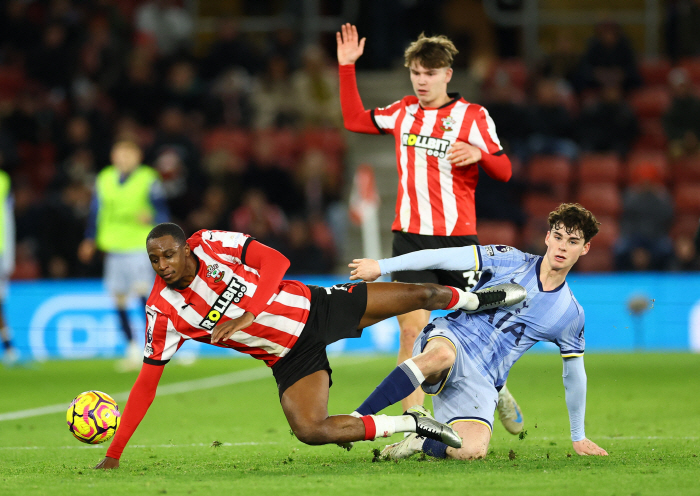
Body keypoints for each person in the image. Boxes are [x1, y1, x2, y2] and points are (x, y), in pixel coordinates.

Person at [93, 223, 524, 469]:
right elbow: (148, 384)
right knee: (309, 429)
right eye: (155, 260)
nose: (163, 266)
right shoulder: (162, 312)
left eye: (169, 255)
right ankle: (413, 426)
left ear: (185, 248)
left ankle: (476, 299)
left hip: (316, 307)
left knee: (419, 296)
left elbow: (275, 261)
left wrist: (247, 315)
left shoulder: (211, 244)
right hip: (289, 358)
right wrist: (113, 454)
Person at [336, 24, 524, 433]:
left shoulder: (472, 117)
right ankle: (414, 420)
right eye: (416, 73)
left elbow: (505, 169)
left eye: (430, 74)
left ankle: (498, 385)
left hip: (458, 242)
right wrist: (347, 68)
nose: (422, 81)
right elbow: (354, 119)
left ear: (447, 75)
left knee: (471, 333)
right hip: (409, 237)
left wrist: (477, 153)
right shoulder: (403, 112)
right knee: (412, 327)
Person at [347, 203, 609, 460]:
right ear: (547, 237)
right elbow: (441, 257)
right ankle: (357, 420)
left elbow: (574, 375)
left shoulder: (570, 314)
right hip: (453, 337)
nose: (562, 246)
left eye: (573, 241)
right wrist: (382, 266)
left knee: (471, 450)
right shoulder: (509, 258)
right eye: (558, 236)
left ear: (585, 248)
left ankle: (419, 440)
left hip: (483, 377)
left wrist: (578, 435)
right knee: (441, 357)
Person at [78, 140, 170, 371]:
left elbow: (162, 209)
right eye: (120, 153)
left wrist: (152, 217)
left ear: (138, 156)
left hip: (139, 246)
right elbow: (96, 211)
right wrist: (90, 239)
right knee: (118, 298)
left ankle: (155, 346)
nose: (124, 158)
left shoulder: (148, 178)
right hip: (113, 247)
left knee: (143, 295)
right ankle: (130, 347)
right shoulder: (105, 178)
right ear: (112, 156)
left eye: (129, 154)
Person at [0, 168, 17, 366]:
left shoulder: (2, 181)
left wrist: (8, 258)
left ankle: (9, 347)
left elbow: (7, 220)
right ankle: (9, 347)